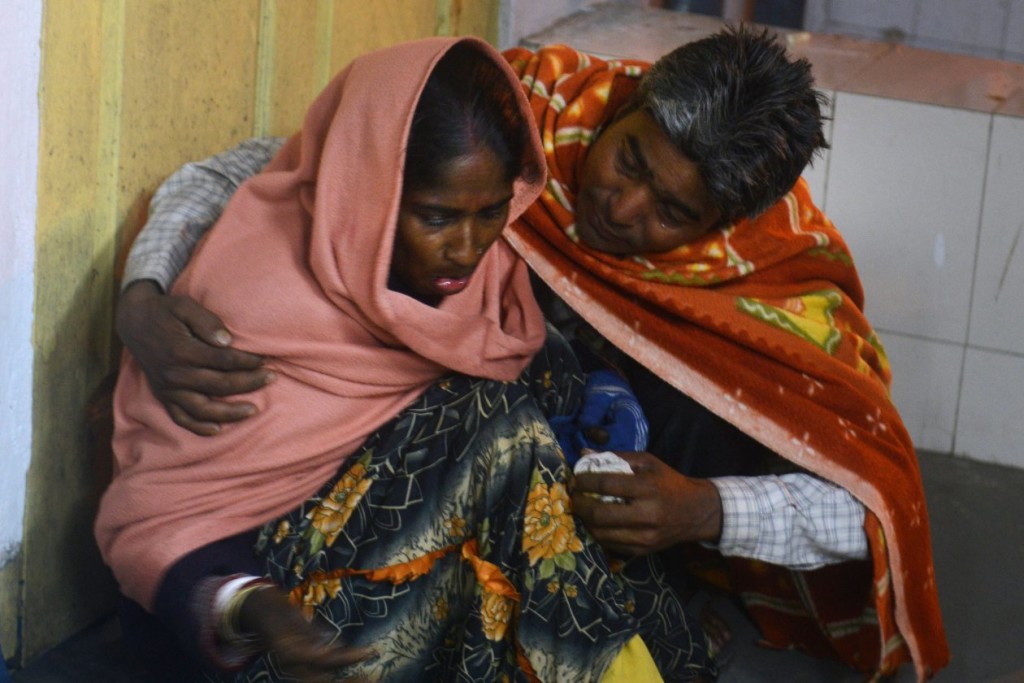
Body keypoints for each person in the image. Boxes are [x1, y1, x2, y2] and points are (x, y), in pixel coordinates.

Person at [115, 27, 949, 680]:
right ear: (628, 100)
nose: (618, 206)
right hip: (392, 501)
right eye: (628, 158)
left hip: (605, 457)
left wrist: (707, 509)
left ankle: (639, 608)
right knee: (512, 415)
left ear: (721, 228)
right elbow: (284, 169)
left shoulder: (781, 292)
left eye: (670, 211)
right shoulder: (527, 117)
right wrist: (145, 294)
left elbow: (875, 509)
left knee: (617, 406)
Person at [96, 36, 716, 683]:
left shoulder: (484, 290)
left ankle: (647, 651)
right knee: (500, 426)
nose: (468, 248)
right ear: (363, 191)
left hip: (391, 567)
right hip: (274, 629)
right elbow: (155, 517)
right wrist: (252, 607)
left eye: (491, 213)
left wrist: (601, 383)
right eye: (436, 217)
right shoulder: (244, 308)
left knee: (555, 386)